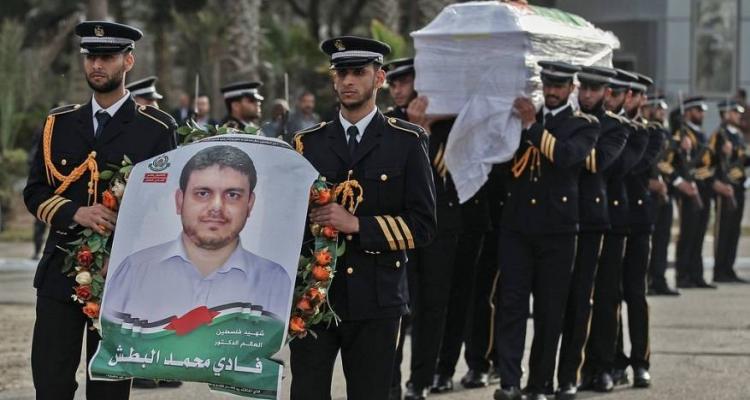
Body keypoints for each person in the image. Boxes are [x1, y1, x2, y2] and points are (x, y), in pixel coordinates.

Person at [23, 21, 177, 400]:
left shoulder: (156, 128)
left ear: (128, 61)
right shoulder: (58, 123)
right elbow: (35, 191)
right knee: (50, 382)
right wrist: (75, 213)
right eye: (91, 57)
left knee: (109, 389)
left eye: (107, 57)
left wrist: (125, 255)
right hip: (59, 275)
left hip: (120, 278)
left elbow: (166, 209)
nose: (96, 65)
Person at [290, 36, 436, 400]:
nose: (348, 81)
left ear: (379, 78)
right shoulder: (307, 144)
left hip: (377, 298)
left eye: (358, 72)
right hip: (315, 298)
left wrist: (357, 225)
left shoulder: (407, 140)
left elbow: (423, 226)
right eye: (341, 73)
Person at [493, 61, 598, 400]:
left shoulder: (583, 124)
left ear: (571, 89)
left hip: (558, 230)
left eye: (559, 86)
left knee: (549, 310)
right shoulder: (523, 116)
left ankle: (540, 384)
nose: (552, 91)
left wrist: (531, 126)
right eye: (548, 84)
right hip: (517, 225)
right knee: (511, 305)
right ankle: (509, 381)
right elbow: (502, 161)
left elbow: (566, 157)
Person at [104, 145, 291, 324]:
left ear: (249, 204)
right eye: (203, 193)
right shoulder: (134, 270)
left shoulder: (274, 281)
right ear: (180, 201)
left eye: (232, 195)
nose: (216, 207)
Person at [552, 65, 628, 400]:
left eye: (594, 90)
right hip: (561, 216)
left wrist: (566, 147)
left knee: (593, 299)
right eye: (583, 88)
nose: (586, 95)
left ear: (606, 93)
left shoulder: (615, 126)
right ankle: (561, 373)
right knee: (561, 301)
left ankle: (598, 367)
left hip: (594, 221)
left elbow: (595, 161)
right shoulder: (567, 120)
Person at [581, 68, 648, 393]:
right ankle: (590, 364)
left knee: (617, 296)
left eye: (620, 94)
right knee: (584, 298)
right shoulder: (591, 123)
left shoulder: (636, 131)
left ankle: (622, 363)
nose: (610, 99)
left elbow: (617, 167)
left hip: (622, 220)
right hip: (589, 216)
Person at [615, 72, 662, 389]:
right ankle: (614, 360)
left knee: (635, 293)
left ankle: (640, 362)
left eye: (634, 94)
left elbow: (631, 164)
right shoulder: (607, 126)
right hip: (611, 219)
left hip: (638, 221)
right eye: (624, 93)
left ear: (642, 99)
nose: (628, 99)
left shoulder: (651, 132)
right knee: (610, 296)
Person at [674, 96, 720, 288]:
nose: (702, 114)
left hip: (703, 187)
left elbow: (709, 162)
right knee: (688, 233)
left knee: (699, 233)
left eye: (702, 111)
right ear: (688, 112)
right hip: (689, 188)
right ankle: (683, 275)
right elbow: (676, 160)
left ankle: (696, 274)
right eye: (698, 110)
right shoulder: (682, 133)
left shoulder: (700, 133)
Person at [643, 95, 681, 295]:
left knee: (662, 239)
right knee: (645, 241)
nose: (661, 112)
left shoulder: (666, 133)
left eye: (662, 109)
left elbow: (672, 162)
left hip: (665, 191)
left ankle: (658, 278)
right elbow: (651, 162)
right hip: (648, 191)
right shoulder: (646, 130)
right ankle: (645, 280)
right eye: (657, 108)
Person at [710, 100, 748, 283]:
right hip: (725, 188)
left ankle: (729, 268)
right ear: (725, 114)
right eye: (734, 112)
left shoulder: (738, 135)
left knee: (734, 230)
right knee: (723, 230)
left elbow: (742, 160)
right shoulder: (719, 135)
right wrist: (723, 152)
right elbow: (710, 160)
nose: (738, 115)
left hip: (738, 187)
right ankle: (719, 270)